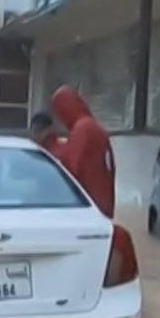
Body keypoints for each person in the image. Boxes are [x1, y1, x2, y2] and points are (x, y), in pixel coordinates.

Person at [50, 85, 116, 218]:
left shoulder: (82, 130)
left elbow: (71, 170)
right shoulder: (94, 127)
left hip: (89, 207)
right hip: (102, 203)